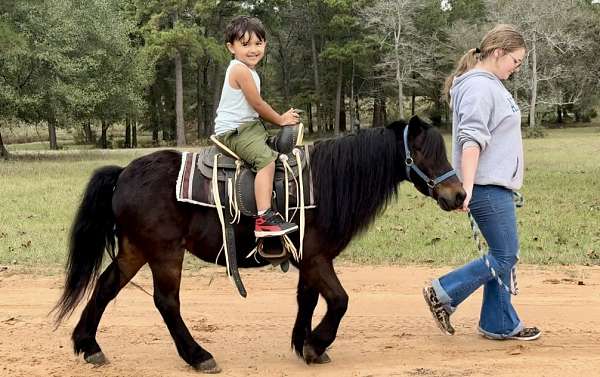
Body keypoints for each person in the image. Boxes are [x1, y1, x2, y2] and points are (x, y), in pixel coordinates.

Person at [423, 24, 541, 341]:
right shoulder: (478, 87)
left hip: (495, 185)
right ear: (499, 53)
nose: (515, 69)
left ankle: (498, 322)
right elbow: (471, 140)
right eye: (515, 62)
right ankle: (443, 291)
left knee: (504, 255)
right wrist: (469, 188)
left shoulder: (488, 84)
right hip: (486, 186)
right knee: (504, 255)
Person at [214, 16, 299, 238]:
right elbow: (258, 105)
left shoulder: (249, 71)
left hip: (249, 127)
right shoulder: (239, 70)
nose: (253, 49)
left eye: (258, 43)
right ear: (231, 48)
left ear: (265, 45)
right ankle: (265, 218)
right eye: (245, 44)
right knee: (267, 161)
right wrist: (280, 119)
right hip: (234, 131)